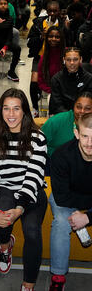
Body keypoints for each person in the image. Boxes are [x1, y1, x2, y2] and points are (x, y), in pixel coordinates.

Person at [0, 88, 47, 291]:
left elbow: (33, 176)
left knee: (32, 233)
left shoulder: (38, 138)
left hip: (32, 191)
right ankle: (4, 244)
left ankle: (28, 284)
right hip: (6, 189)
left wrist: (19, 208)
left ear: (24, 111)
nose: (11, 114)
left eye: (16, 109)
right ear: (0, 111)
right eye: (6, 108)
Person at [49, 112, 92, 290]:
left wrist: (87, 217)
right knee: (61, 222)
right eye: (85, 136)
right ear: (76, 133)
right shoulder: (61, 155)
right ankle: (58, 277)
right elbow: (61, 196)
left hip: (86, 201)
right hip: (66, 198)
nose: (90, 143)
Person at [42, 91, 92, 157]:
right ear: (73, 106)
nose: (82, 111)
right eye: (78, 107)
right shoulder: (57, 121)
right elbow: (37, 143)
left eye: (87, 108)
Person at [49, 48, 92, 115]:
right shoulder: (56, 79)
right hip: (64, 115)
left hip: (84, 115)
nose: (72, 63)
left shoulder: (89, 78)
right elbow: (57, 105)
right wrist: (70, 116)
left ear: (81, 59)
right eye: (68, 60)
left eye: (75, 59)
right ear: (64, 60)